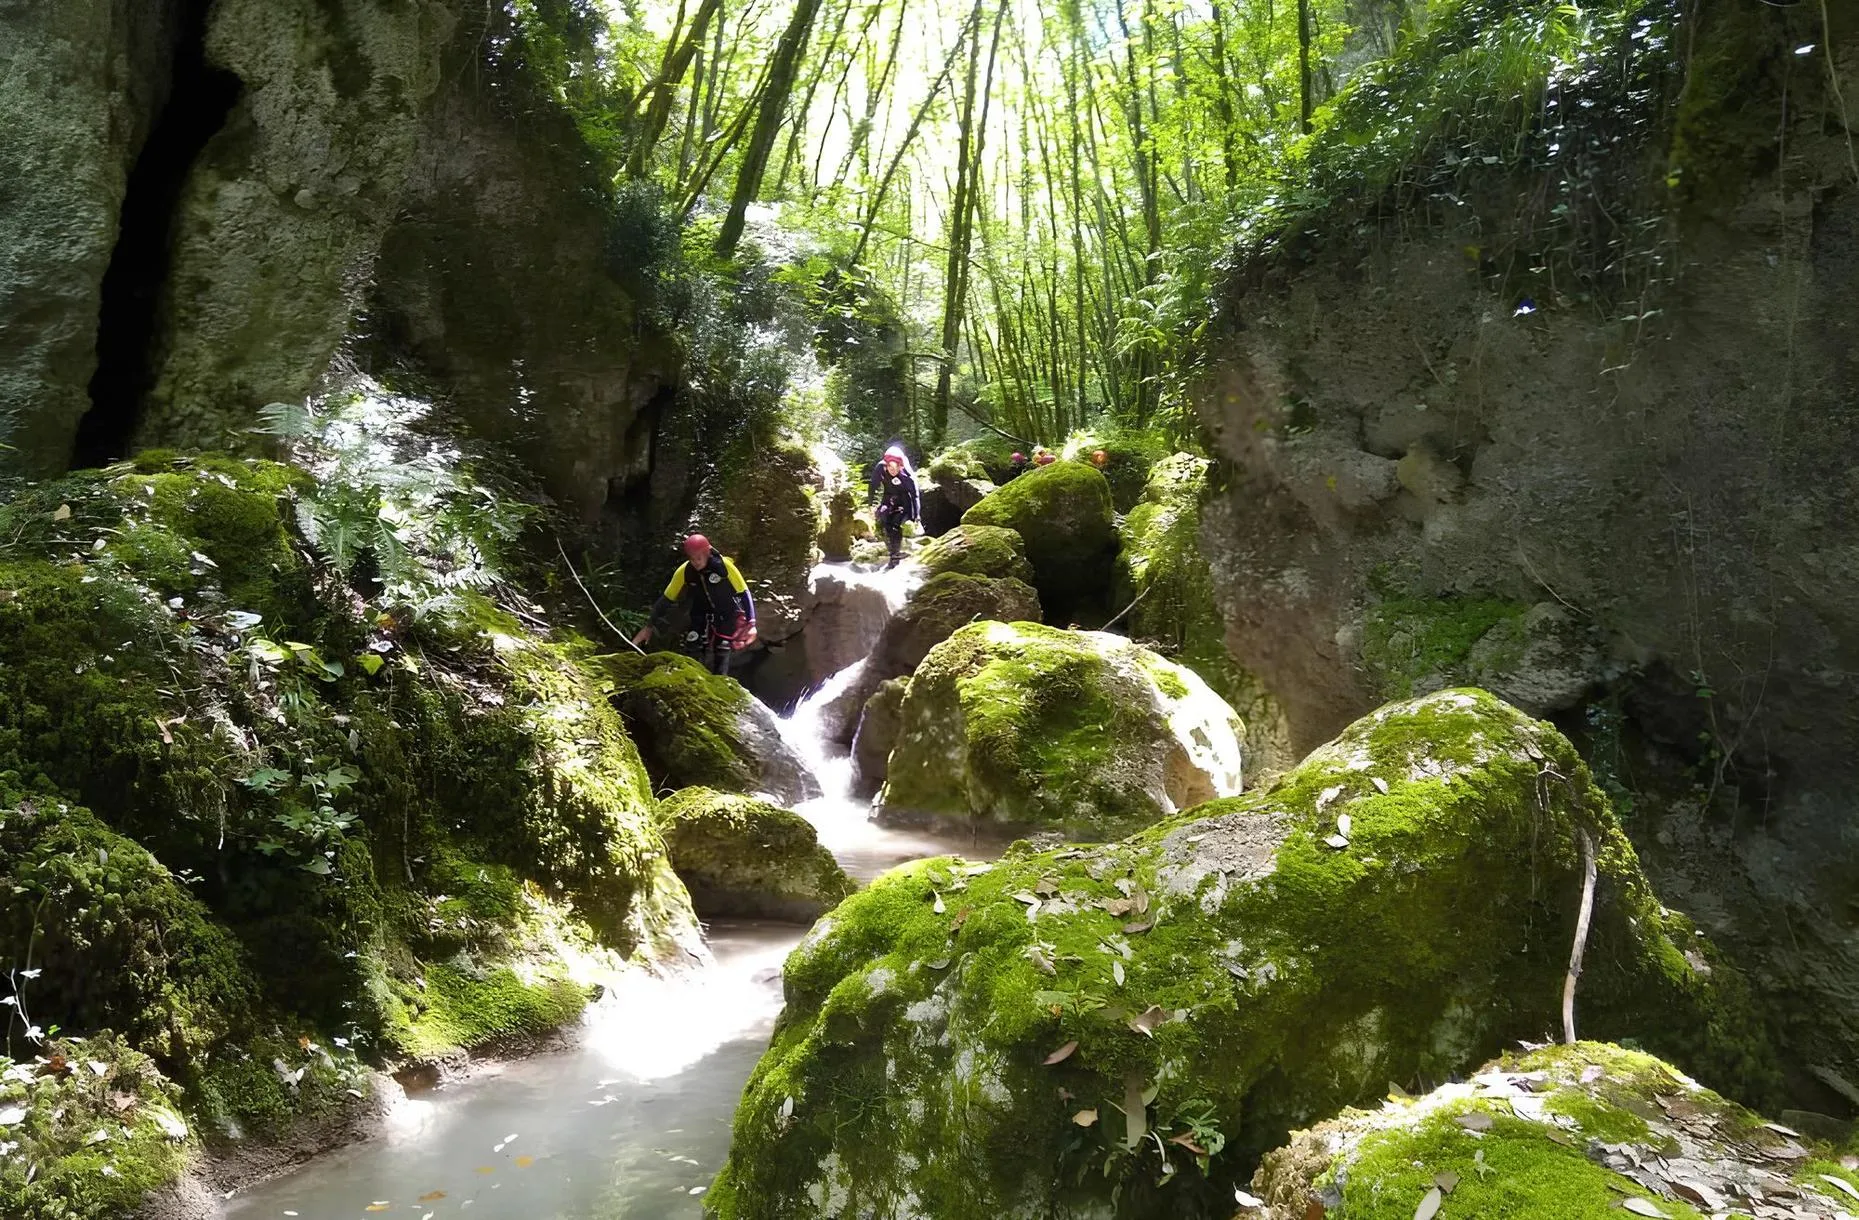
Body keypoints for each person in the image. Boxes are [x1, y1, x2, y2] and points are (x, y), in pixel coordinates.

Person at [631, 534, 756, 676]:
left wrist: (751, 623)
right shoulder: (684, 571)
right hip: (700, 614)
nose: (695, 563)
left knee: (721, 649)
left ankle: (721, 684)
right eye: (692, 558)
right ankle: (693, 681)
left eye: (699, 558)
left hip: (726, 614)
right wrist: (648, 627)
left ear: (707, 553)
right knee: (693, 646)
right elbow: (666, 599)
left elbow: (744, 592)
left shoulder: (724, 566)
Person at [869, 442, 920, 569]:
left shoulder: (906, 475)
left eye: (895, 468)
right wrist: (870, 504)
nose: (892, 471)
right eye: (889, 468)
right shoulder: (880, 467)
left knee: (896, 523)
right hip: (888, 497)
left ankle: (895, 555)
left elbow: (915, 495)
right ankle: (894, 552)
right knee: (883, 521)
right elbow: (872, 486)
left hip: (904, 500)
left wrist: (917, 515)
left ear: (900, 466)